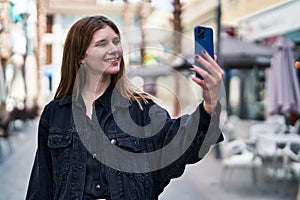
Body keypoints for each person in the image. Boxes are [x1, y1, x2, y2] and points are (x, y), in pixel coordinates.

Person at [26, 15, 224, 200]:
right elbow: (41, 184)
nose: (115, 50)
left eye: (116, 41)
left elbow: (180, 143)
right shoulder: (55, 113)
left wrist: (210, 103)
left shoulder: (141, 109)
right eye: (102, 43)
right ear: (81, 57)